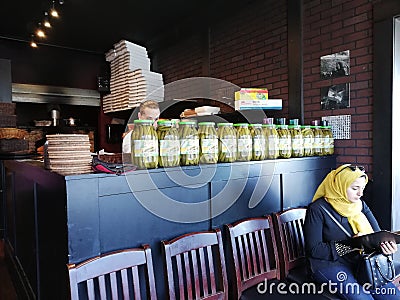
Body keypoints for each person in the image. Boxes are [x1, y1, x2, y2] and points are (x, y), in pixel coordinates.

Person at [304, 164, 400, 299]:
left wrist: (385, 247)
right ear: (340, 185)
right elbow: (314, 250)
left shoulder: (360, 205)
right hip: (328, 265)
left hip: (360, 262)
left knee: (393, 297)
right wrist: (354, 244)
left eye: (362, 188)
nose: (360, 193)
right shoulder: (318, 209)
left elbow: (376, 236)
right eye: (355, 188)